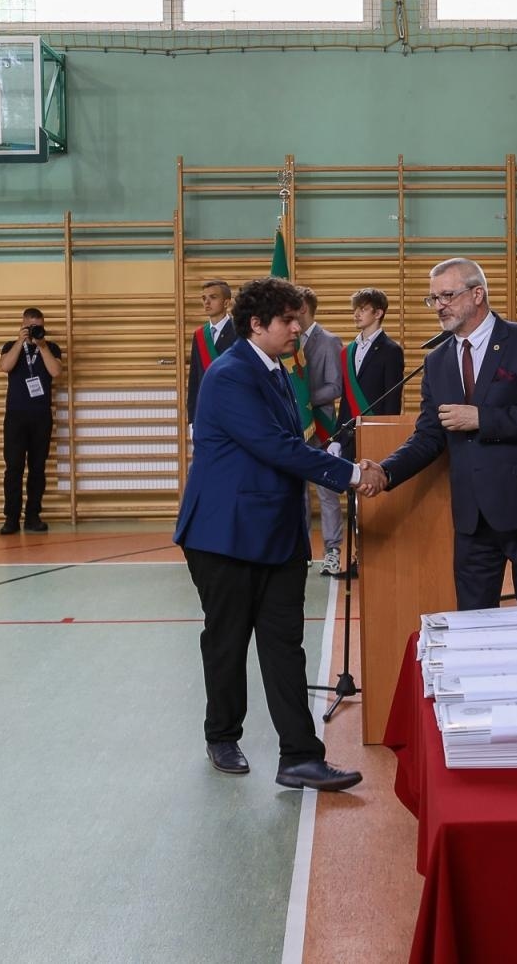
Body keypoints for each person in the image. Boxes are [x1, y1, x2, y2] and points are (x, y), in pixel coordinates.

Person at [174, 276, 383, 792]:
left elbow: (291, 441)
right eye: (288, 320)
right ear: (257, 325)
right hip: (225, 536)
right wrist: (353, 475)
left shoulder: (274, 372)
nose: (297, 327)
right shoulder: (229, 375)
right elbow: (275, 447)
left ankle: (300, 757)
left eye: (297, 318)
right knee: (227, 642)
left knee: (285, 647)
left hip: (275, 536)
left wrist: (338, 456)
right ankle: (222, 733)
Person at [377, 258, 517, 628]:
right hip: (472, 521)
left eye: (447, 295)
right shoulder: (436, 362)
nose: (439, 306)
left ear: (478, 294)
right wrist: (386, 473)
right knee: (475, 628)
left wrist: (482, 418)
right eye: (432, 299)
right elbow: (430, 435)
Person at [0, 307, 63, 535]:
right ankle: (11, 517)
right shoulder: (10, 346)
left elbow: (55, 372)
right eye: (31, 327)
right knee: (13, 468)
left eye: (39, 327)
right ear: (23, 325)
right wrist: (19, 342)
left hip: (40, 416)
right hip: (15, 416)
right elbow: (5, 366)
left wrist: (42, 346)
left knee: (37, 468)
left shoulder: (51, 347)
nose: (35, 330)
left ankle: (33, 515)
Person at [296, 288, 346, 577]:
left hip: (322, 425)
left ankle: (332, 551)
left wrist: (306, 400)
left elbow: (335, 386)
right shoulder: (287, 344)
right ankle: (301, 551)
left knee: (326, 493)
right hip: (295, 427)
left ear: (305, 308)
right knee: (297, 492)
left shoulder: (328, 341)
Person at [337, 287, 406, 455]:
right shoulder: (348, 351)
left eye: (363, 309)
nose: (356, 314)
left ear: (378, 313)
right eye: (355, 309)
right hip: (348, 435)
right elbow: (345, 399)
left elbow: (392, 400)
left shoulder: (391, 350)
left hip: (375, 433)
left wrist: (387, 436)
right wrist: (337, 437)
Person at [186, 279, 234, 427]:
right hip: (207, 409)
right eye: (204, 298)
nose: (207, 302)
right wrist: (192, 419)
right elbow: (195, 377)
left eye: (213, 297)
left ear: (226, 303)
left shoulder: (240, 331)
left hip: (233, 405)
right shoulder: (200, 334)